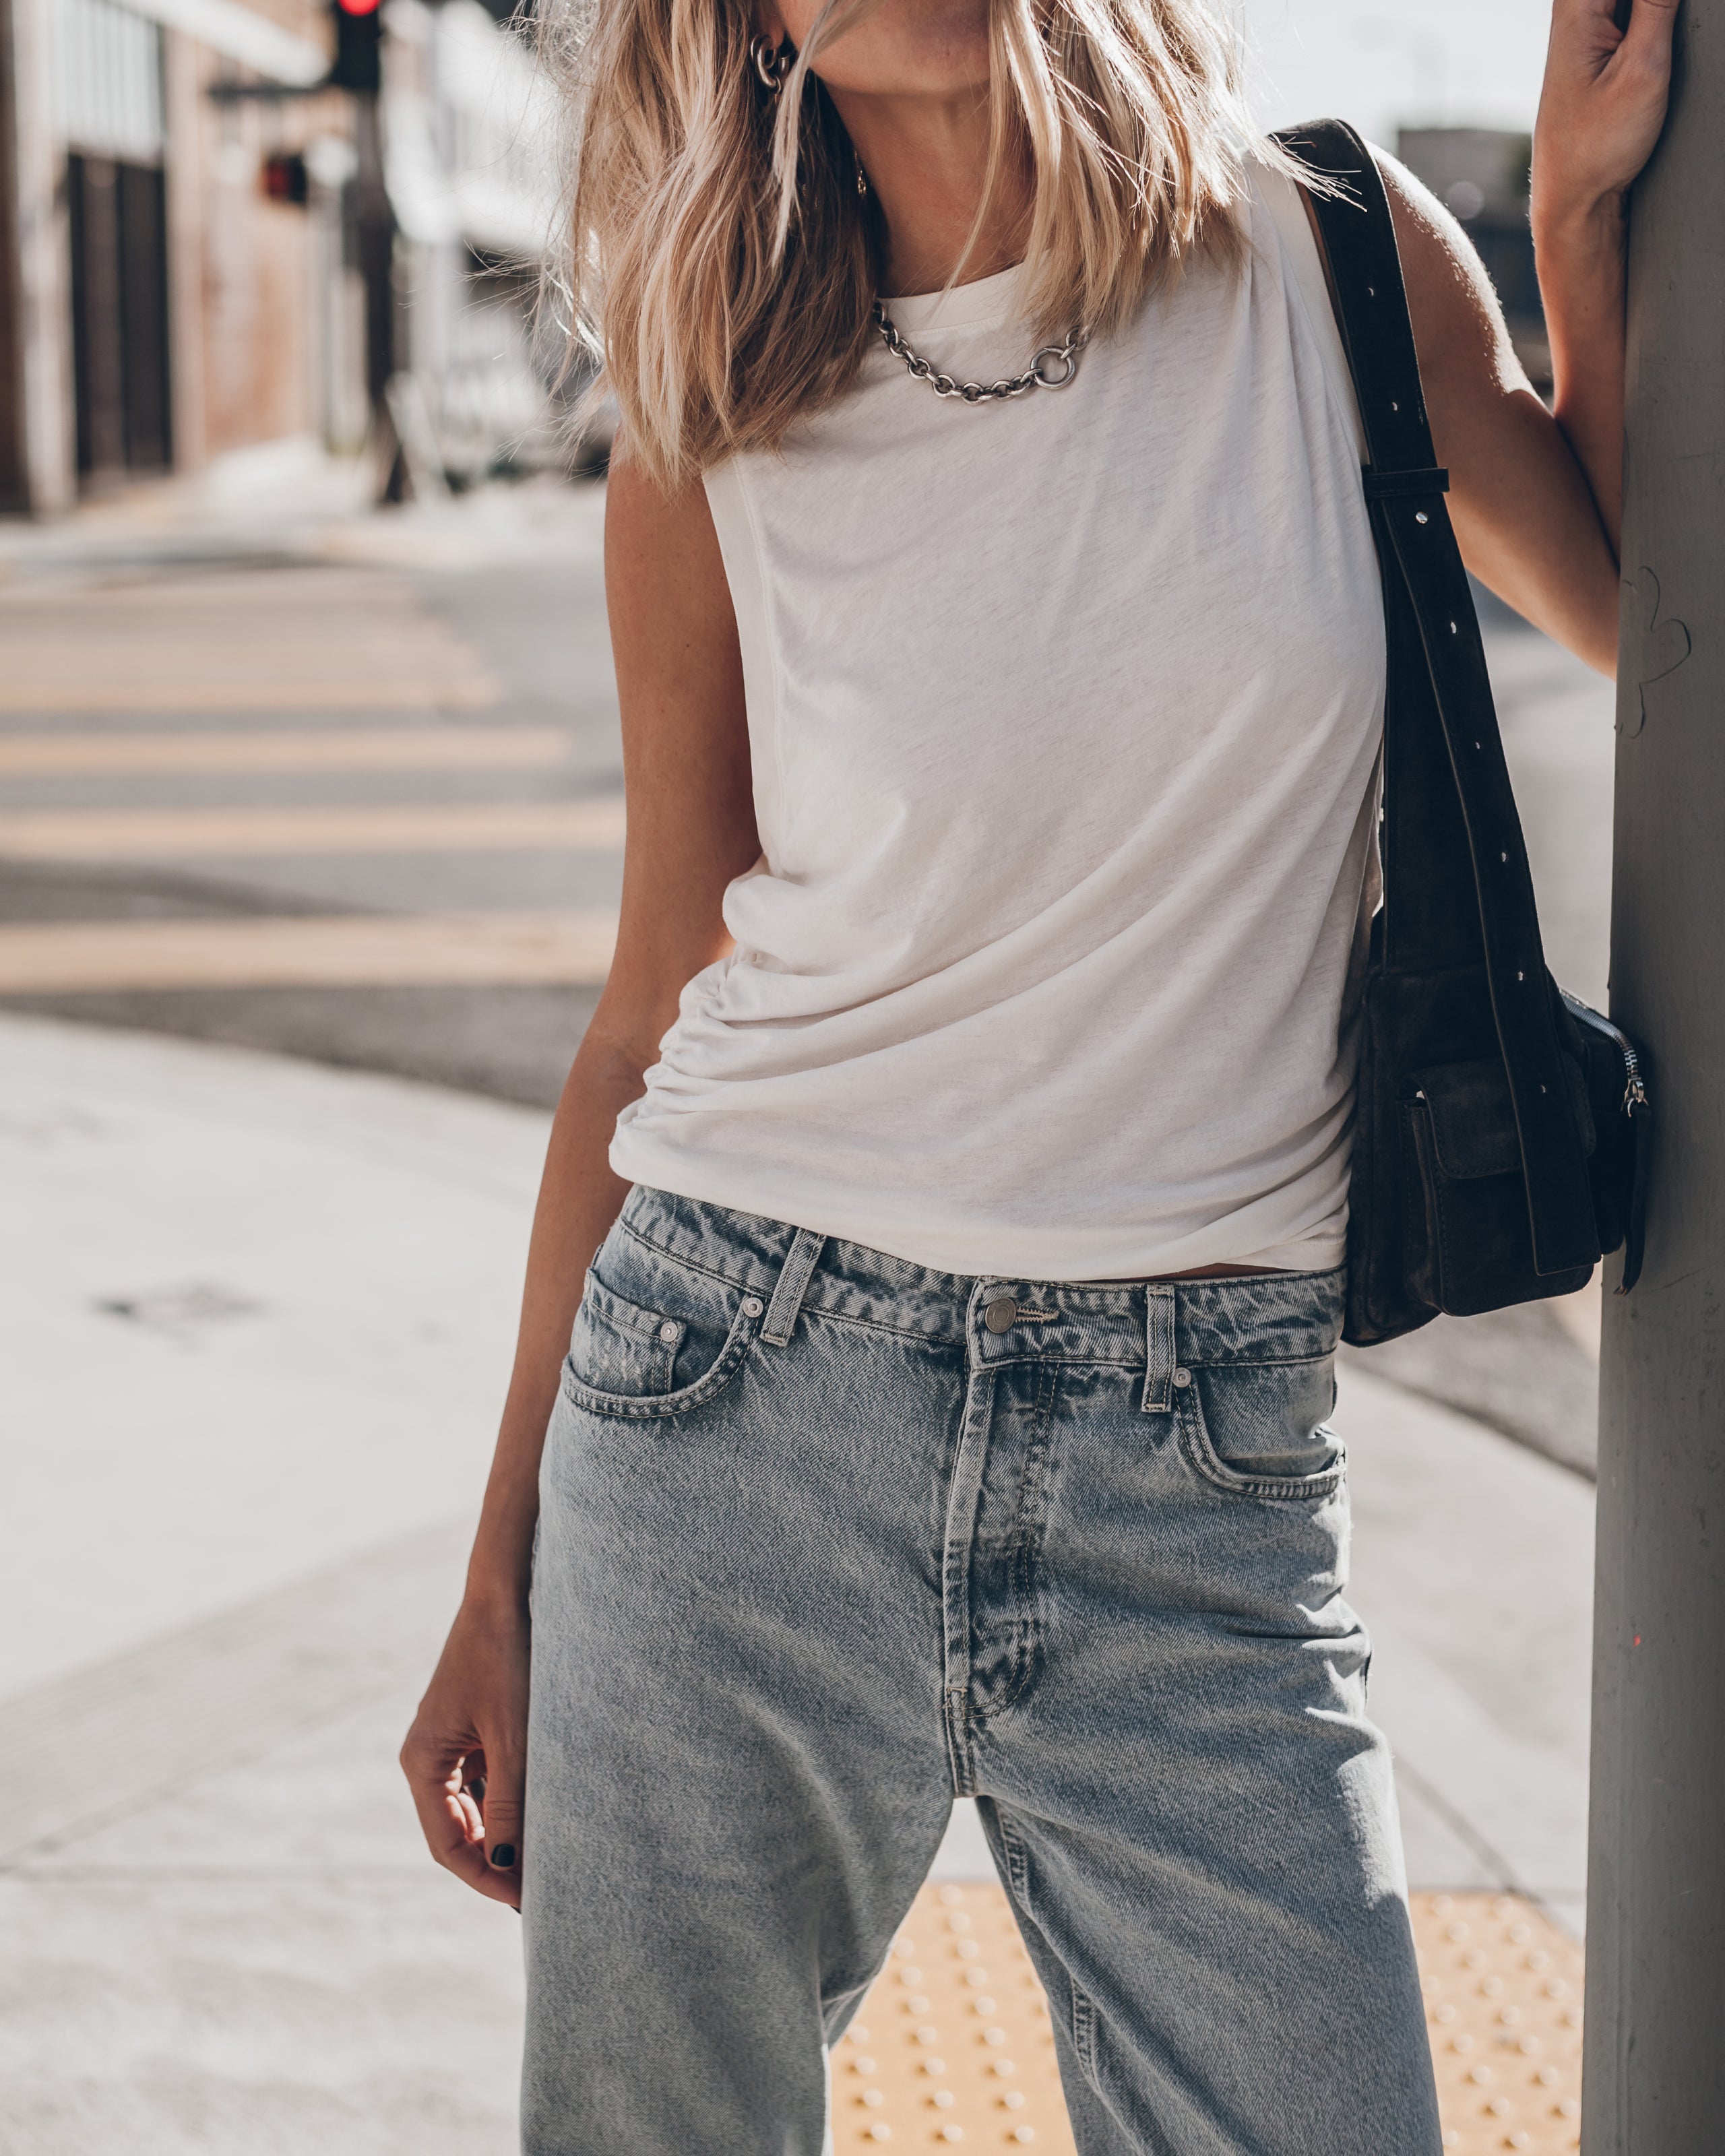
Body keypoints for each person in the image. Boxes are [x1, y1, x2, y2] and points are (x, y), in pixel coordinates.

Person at [401, 3, 1674, 2149]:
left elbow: (1642, 616)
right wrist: (500, 1566)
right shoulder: (712, 419)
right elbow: (646, 1011)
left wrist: (1569, 219)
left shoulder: (1330, 255)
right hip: (740, 1410)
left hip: (1205, 1469)